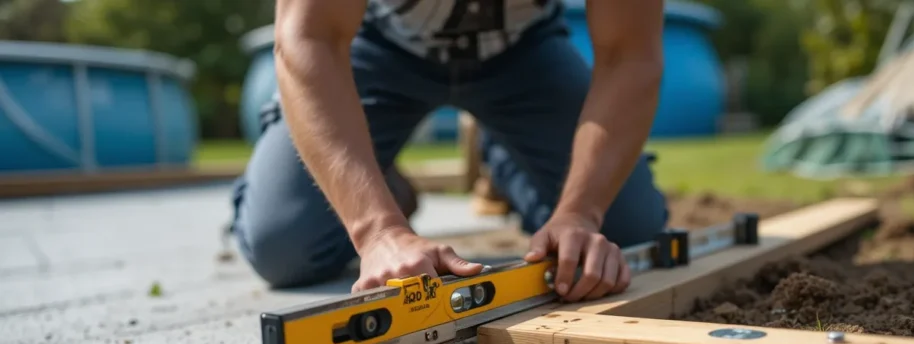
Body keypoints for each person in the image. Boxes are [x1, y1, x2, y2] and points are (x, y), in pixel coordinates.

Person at [230, 0, 669, 303]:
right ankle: (380, 177)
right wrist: (378, 229)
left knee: (623, 230)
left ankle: (504, 161)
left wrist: (581, 213)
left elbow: (629, 55)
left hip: (523, 54)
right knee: (283, 247)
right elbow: (311, 38)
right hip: (376, 47)